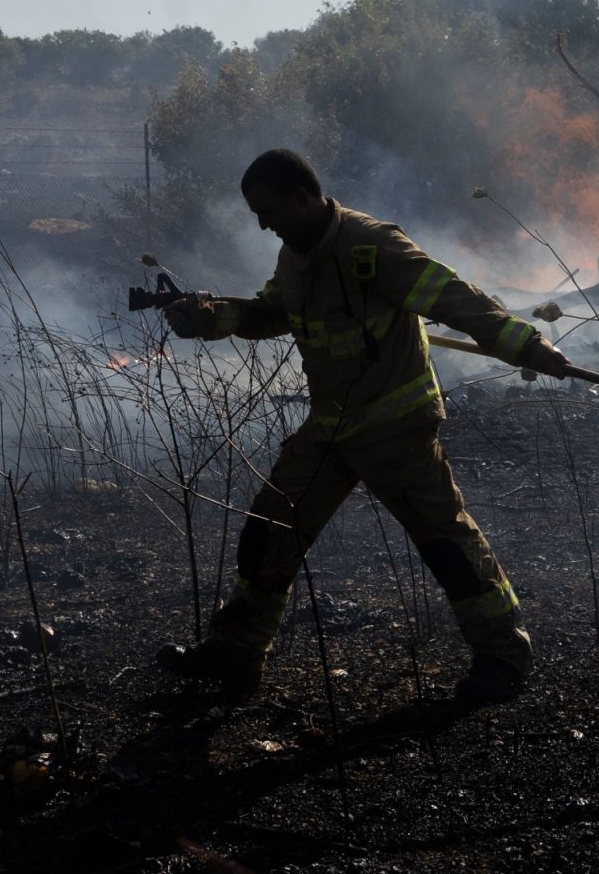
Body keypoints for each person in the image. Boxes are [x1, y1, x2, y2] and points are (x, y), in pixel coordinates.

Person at [157, 148, 569, 706]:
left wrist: (526, 344)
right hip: (331, 429)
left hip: (395, 429)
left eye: (269, 211)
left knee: (447, 547)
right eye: (256, 214)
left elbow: (452, 297)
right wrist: (210, 318)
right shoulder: (296, 254)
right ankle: (236, 654)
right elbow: (273, 311)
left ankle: (503, 658)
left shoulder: (372, 245)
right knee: (268, 534)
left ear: (302, 198)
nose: (263, 225)